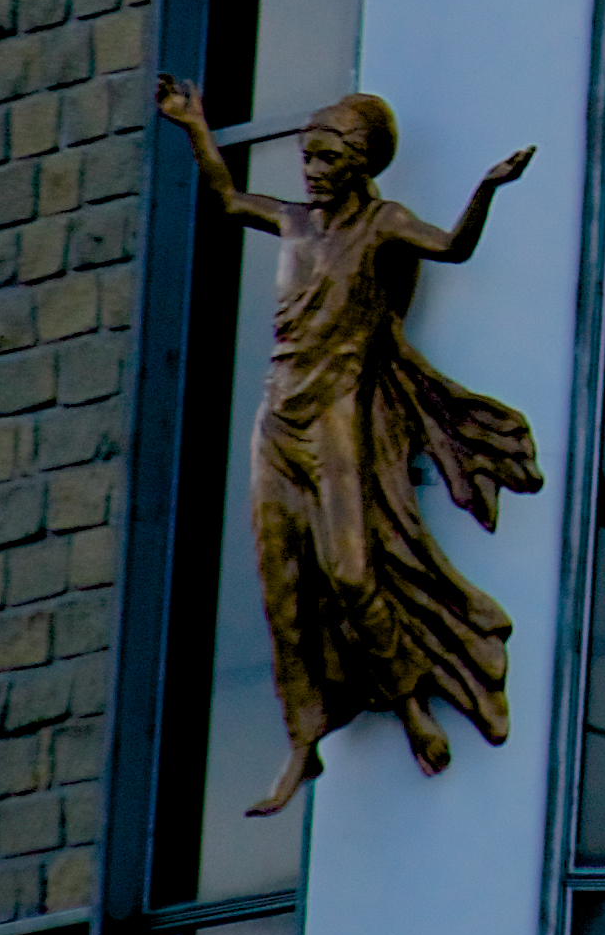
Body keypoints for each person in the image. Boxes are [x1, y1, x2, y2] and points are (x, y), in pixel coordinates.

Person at [154, 77, 543, 810]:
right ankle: (304, 741)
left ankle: (411, 708)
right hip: (276, 421)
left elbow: (453, 247)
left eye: (325, 157)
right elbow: (231, 200)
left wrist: (488, 188)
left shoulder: (383, 224)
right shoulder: (297, 224)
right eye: (306, 156)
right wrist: (196, 126)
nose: (310, 170)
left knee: (353, 572)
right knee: (282, 584)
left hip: (335, 422)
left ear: (359, 162)